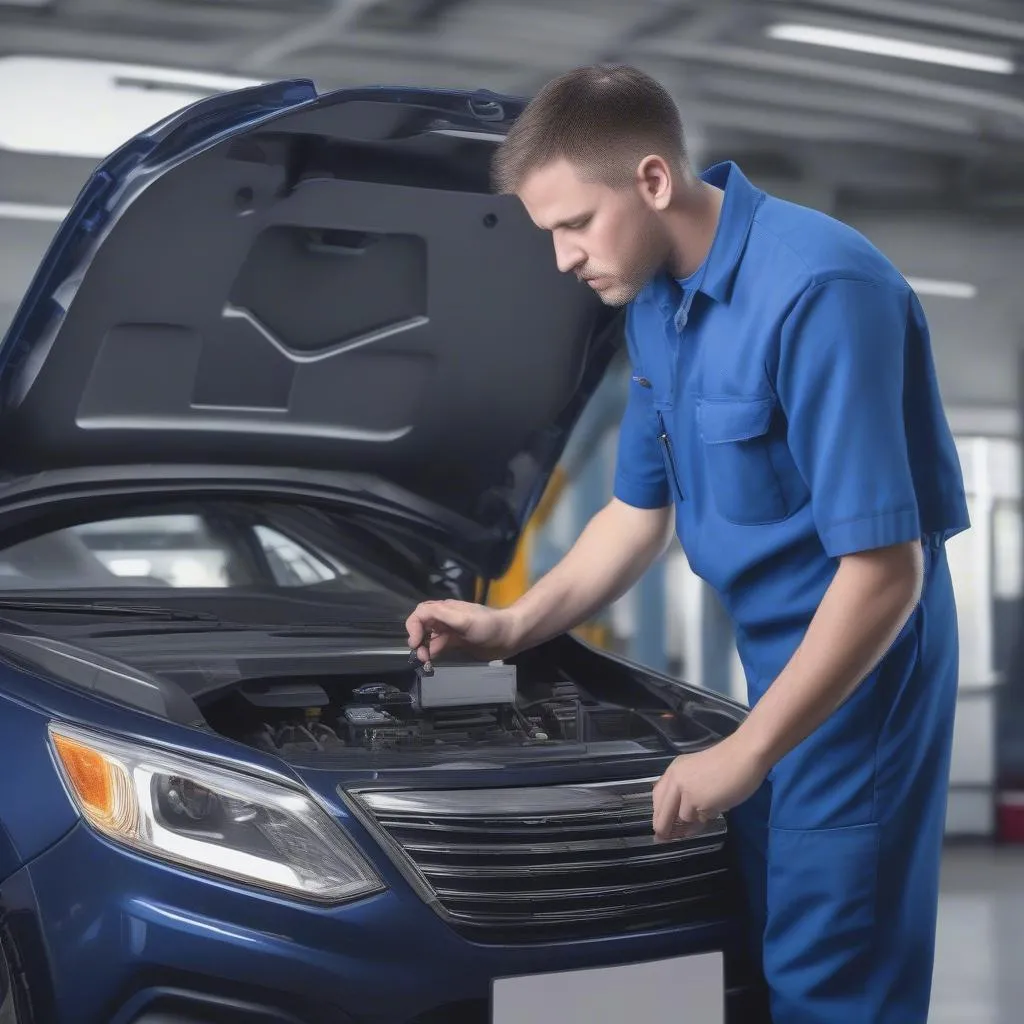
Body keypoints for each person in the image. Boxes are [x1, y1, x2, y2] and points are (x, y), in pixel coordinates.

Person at [405, 64, 969, 1023]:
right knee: (760, 953)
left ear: (654, 181)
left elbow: (885, 574)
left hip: (864, 675)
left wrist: (747, 751)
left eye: (574, 225)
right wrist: (511, 627)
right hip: (771, 666)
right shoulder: (659, 307)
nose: (563, 260)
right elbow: (636, 512)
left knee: (832, 980)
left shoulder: (823, 288)